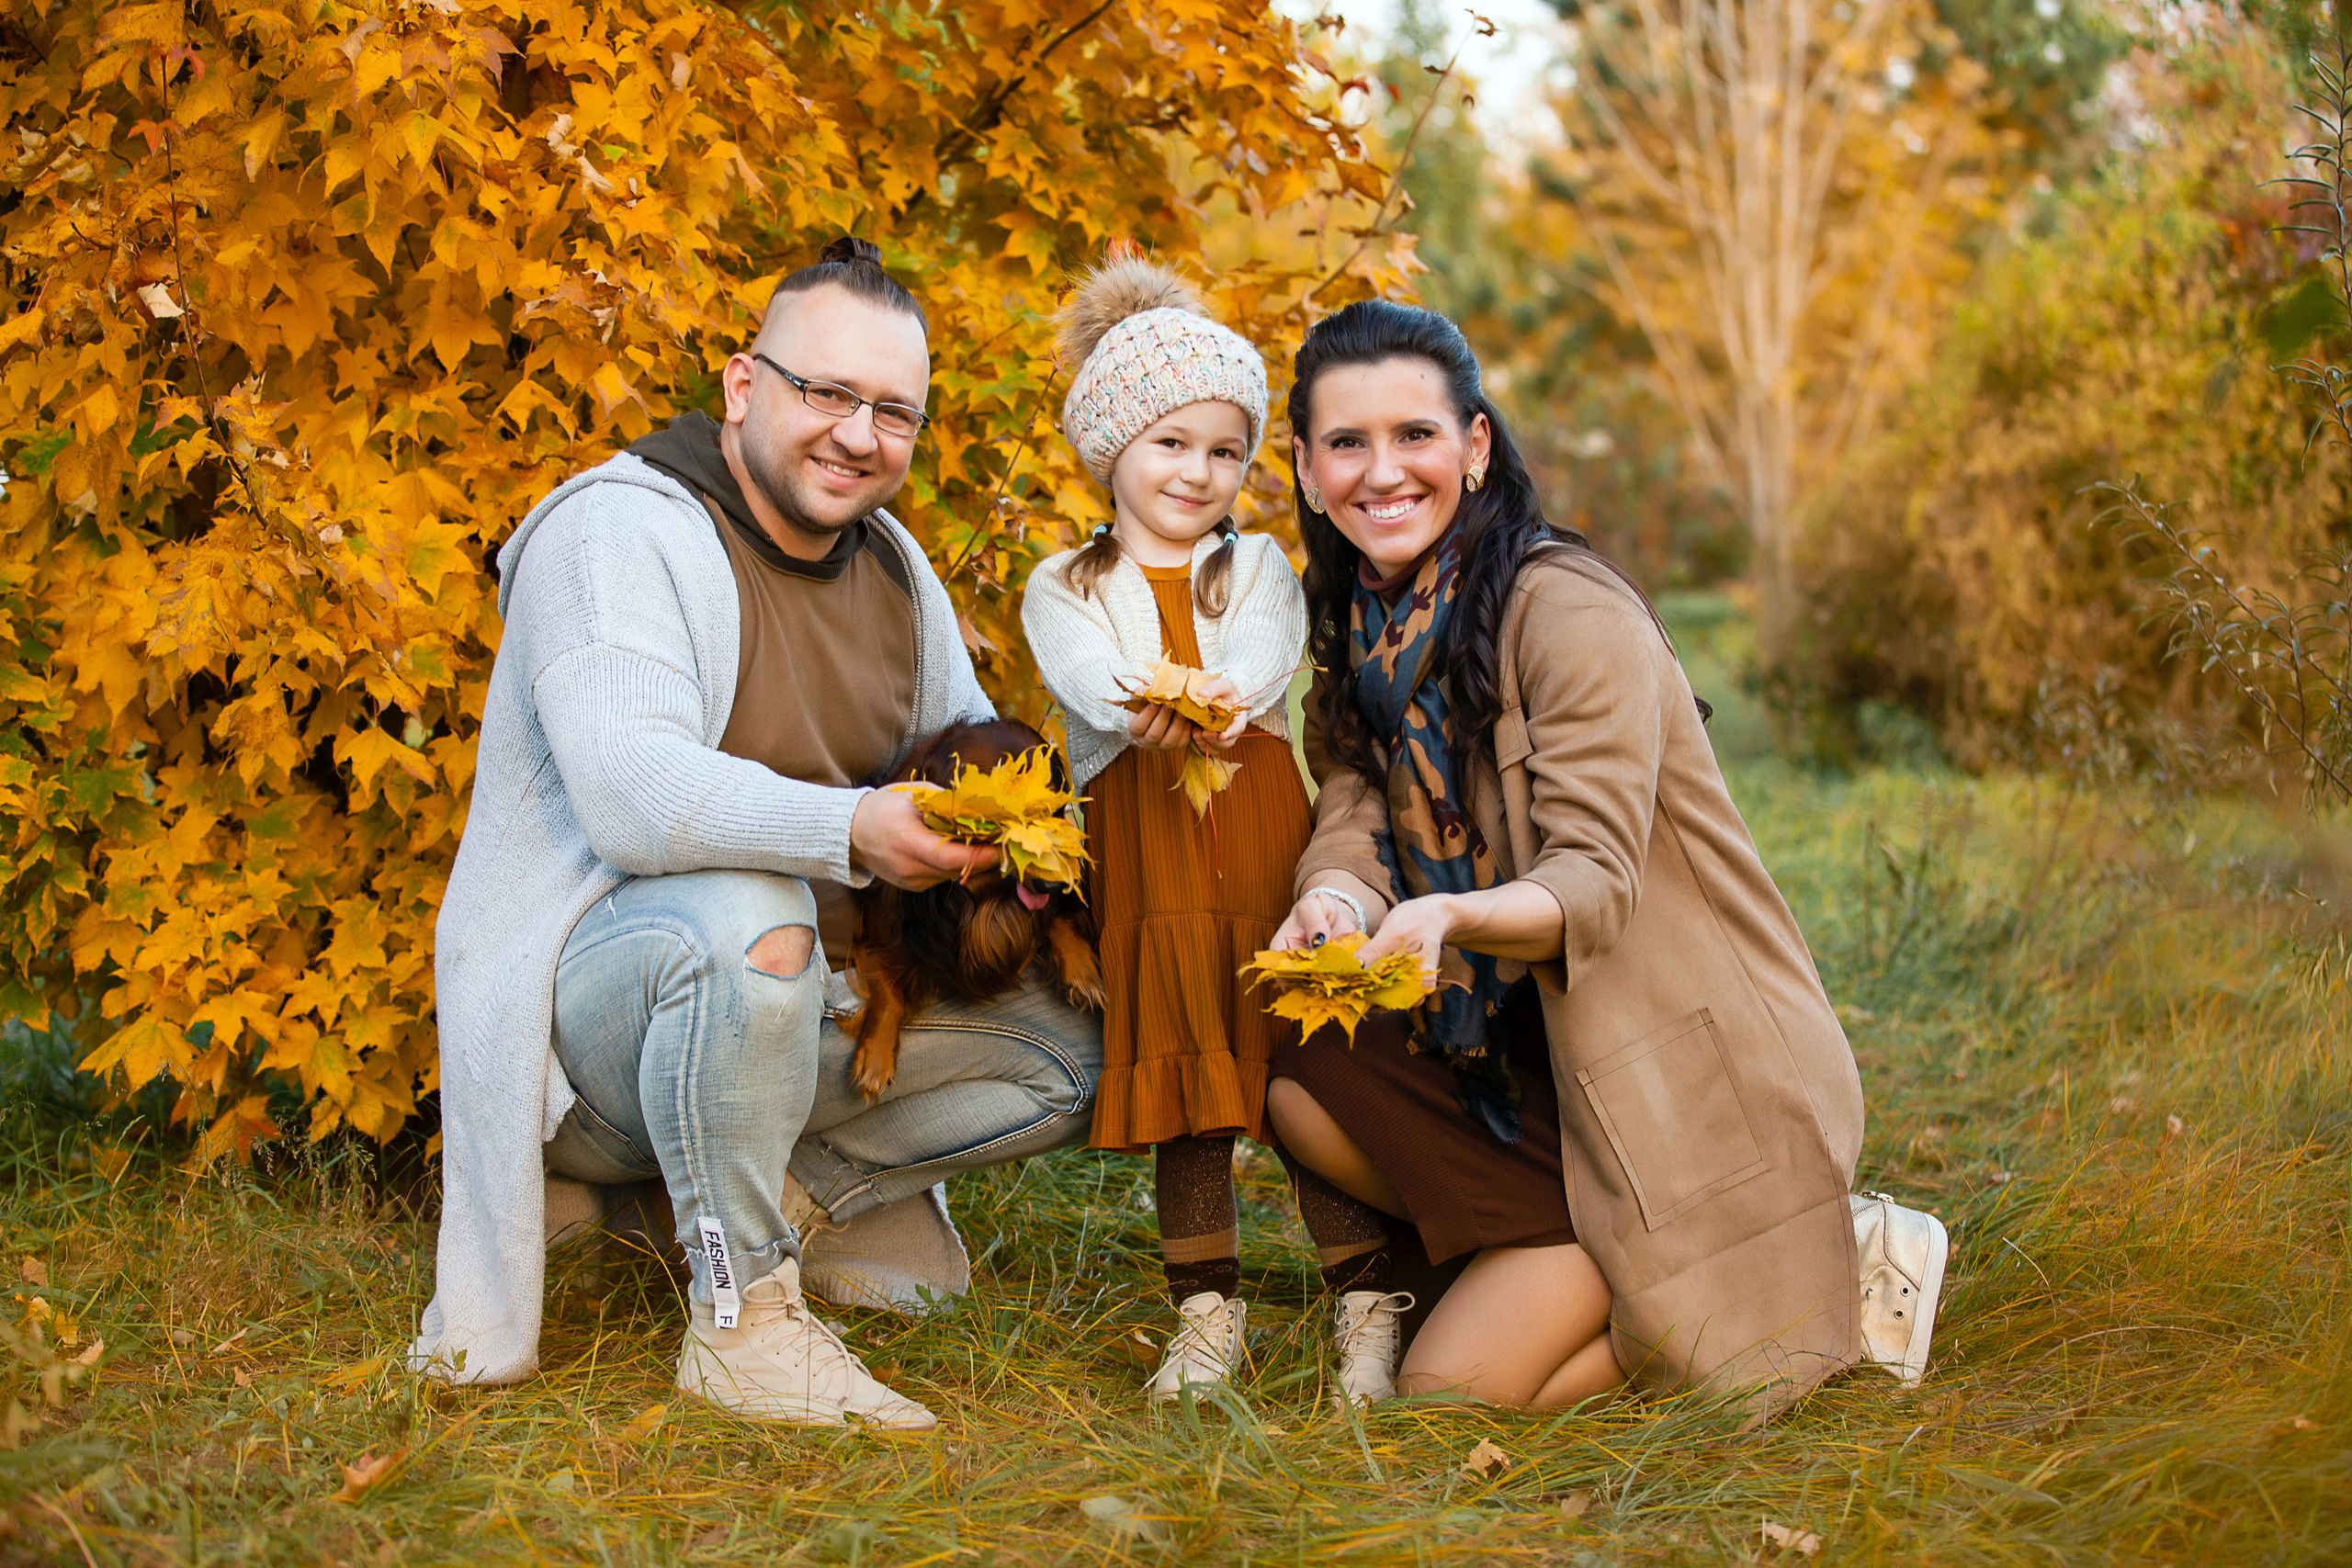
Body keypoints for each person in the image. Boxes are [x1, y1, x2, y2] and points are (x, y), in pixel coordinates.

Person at [410, 238, 1104, 1431]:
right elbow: (635, 793)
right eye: (825, 391)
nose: (856, 432)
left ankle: (700, 1214)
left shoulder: (893, 567)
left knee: (1085, 1038)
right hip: (604, 1030)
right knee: (752, 910)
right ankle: (743, 1318)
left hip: (805, 1018)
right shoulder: (619, 532)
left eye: (893, 410)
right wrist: (853, 829)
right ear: (743, 387)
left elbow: (964, 754)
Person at [1264, 299, 1949, 1420]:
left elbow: (1594, 879)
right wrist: (1336, 896)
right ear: (1303, 465)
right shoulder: (1361, 624)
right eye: (1346, 443)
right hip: (1514, 1054)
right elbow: (1350, 801)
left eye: (1414, 436)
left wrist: (1452, 919)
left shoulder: (1562, 608)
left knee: (1446, 1396)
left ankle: (1833, 1255)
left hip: (1669, 1071)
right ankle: (1554, 1254)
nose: (1380, 472)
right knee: (1300, 1067)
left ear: (1475, 446)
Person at [1021, 254, 1408, 1405]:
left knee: (1304, 1070)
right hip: (1143, 848)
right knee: (1189, 1089)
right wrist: (1145, 704)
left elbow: (1254, 669)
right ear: (1113, 450)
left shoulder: (1258, 570)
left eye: (1224, 449)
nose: (1198, 472)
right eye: (1170, 443)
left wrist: (1208, 700)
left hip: (1259, 838)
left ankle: (1367, 1302)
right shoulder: (1067, 581)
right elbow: (1094, 684)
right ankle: (1205, 1314)